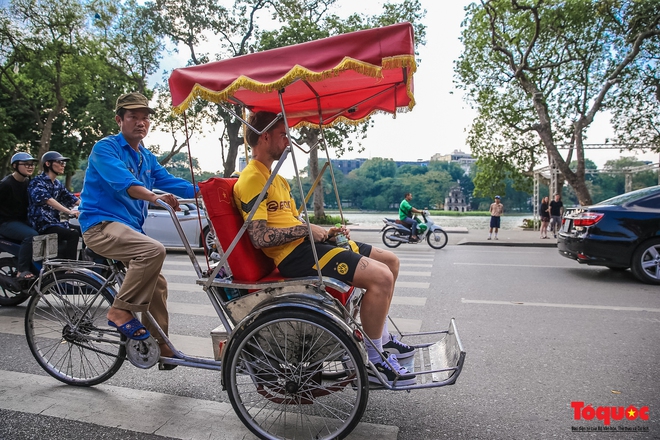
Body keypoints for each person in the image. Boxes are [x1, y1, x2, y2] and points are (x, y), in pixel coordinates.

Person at [233, 111, 416, 386]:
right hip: (294, 255)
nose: (288, 142)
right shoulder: (251, 179)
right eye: (284, 135)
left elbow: (291, 221)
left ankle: (384, 339)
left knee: (391, 262)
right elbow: (260, 237)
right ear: (264, 136)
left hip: (308, 244)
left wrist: (325, 232)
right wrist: (308, 230)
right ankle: (373, 361)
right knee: (381, 277)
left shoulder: (276, 179)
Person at [78, 92, 196, 365]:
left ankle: (161, 346)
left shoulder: (147, 158)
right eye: (133, 117)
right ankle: (119, 311)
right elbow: (127, 184)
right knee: (153, 250)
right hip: (100, 225)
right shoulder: (106, 149)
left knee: (158, 284)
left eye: (145, 118)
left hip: (128, 230)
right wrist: (155, 197)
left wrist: (217, 189)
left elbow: (174, 183)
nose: (141, 122)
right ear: (120, 120)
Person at [27, 151, 80, 260]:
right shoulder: (37, 182)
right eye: (60, 162)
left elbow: (71, 198)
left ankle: (85, 261)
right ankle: (70, 268)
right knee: (72, 234)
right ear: (48, 164)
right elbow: (48, 200)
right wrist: (69, 212)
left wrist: (94, 208)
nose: (62, 165)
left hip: (53, 223)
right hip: (42, 223)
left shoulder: (57, 184)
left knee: (83, 231)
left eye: (63, 163)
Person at [0, 152, 39, 279]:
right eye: (26, 164)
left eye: (32, 164)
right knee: (31, 235)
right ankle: (22, 270)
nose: (30, 167)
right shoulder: (6, 184)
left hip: (22, 221)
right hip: (6, 222)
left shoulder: (28, 182)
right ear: (15, 166)